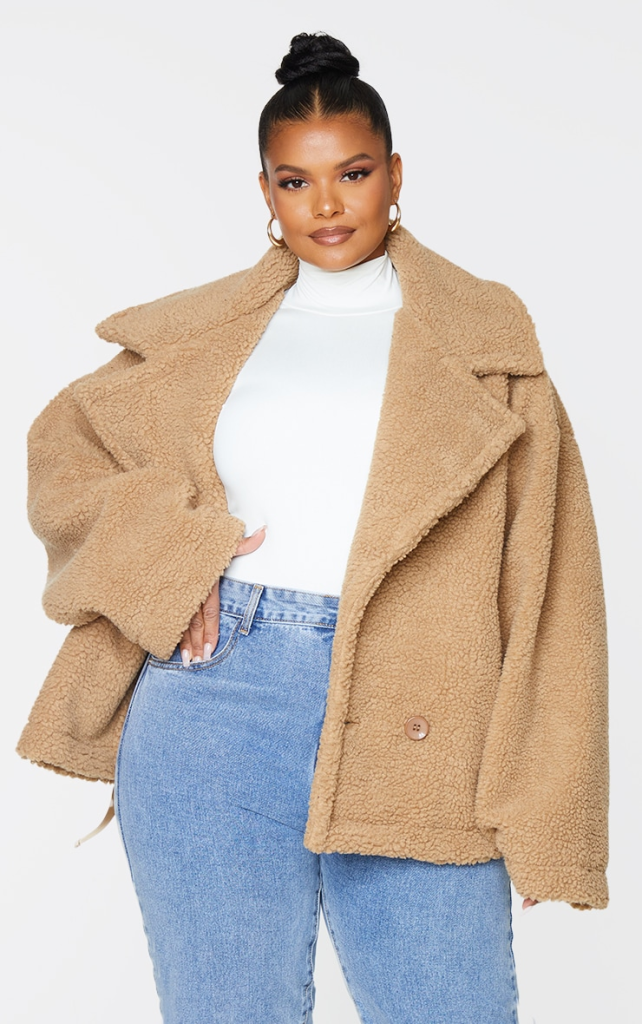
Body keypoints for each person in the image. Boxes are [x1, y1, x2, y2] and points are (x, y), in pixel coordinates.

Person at [18, 30, 609, 1024]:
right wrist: (173, 562)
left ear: (396, 176)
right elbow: (62, 455)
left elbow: (556, 594)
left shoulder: (489, 346)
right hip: (212, 706)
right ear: (266, 191)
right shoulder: (198, 337)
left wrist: (550, 814)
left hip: (428, 719)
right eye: (296, 182)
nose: (326, 205)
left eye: (353, 174)